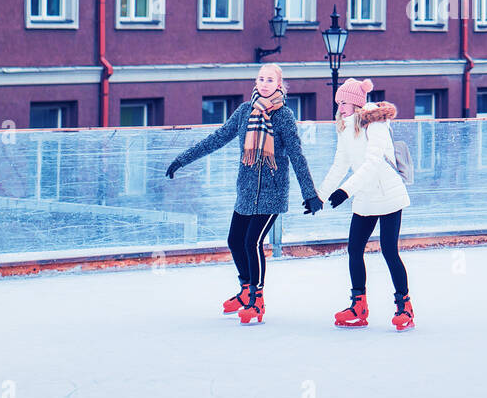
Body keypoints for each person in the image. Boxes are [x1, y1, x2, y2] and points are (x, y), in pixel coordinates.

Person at [165, 63, 322, 323]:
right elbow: (215, 139)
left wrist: (310, 193)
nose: (264, 83)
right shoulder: (243, 112)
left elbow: (296, 155)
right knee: (235, 241)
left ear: (279, 85)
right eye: (261, 78)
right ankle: (246, 289)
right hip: (246, 192)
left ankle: (257, 299)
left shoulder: (283, 116)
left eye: (270, 79)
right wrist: (182, 160)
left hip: (272, 193)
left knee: (252, 242)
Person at [316, 78, 415, 331]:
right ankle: (358, 306)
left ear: (357, 103)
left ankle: (404, 307)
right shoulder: (344, 127)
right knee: (354, 250)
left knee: (389, 250)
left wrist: (345, 191)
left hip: (388, 194)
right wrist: (320, 195)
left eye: (345, 102)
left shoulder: (375, 123)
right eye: (338, 102)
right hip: (365, 197)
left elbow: (373, 164)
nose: (340, 107)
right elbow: (340, 163)